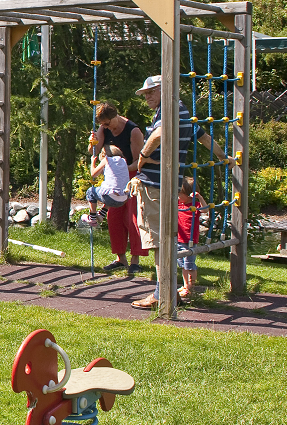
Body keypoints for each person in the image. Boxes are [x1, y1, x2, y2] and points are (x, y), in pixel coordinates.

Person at [130, 75, 234, 309]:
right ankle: (166, 291)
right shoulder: (182, 112)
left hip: (154, 183)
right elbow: (204, 138)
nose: (146, 97)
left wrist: (142, 158)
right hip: (171, 183)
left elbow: (157, 135)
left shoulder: (169, 110)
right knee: (165, 237)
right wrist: (221, 156)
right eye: (145, 93)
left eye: (151, 92)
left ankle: (162, 293)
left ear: (164, 90)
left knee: (157, 240)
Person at [86, 102, 146, 273]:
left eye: (107, 123)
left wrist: (121, 169)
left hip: (131, 176)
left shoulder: (133, 131)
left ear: (115, 116)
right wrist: (92, 144)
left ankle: (136, 260)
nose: (105, 127)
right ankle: (121, 258)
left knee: (134, 217)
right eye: (102, 124)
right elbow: (95, 152)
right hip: (113, 178)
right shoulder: (104, 129)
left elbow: (139, 161)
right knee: (115, 217)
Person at [176, 179, 207, 300]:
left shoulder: (194, 205)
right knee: (183, 265)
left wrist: (199, 198)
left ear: (189, 195)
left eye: (180, 194)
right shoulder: (179, 204)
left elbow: (205, 210)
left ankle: (190, 288)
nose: (178, 197)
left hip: (190, 240)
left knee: (190, 265)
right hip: (179, 238)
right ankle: (185, 286)